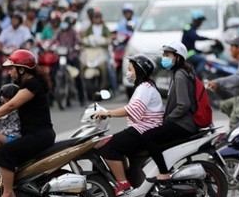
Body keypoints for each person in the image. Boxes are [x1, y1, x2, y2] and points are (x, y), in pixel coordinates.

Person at [94, 54, 163, 195]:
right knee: (116, 145)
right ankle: (125, 177)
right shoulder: (144, 87)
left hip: (144, 130)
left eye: (130, 69)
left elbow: (132, 109)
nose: (128, 72)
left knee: (106, 146)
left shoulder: (144, 88)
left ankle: (123, 185)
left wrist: (107, 113)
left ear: (139, 71)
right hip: (142, 128)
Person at [0, 49, 56, 197]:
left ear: (21, 69)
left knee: (4, 153)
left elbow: (11, 106)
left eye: (11, 68)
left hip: (39, 135)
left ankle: (8, 193)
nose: (9, 72)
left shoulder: (31, 85)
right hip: (35, 134)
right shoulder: (29, 84)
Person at [141, 40, 198, 183]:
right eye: (164, 54)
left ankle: (164, 172)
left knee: (148, 137)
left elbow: (183, 105)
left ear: (178, 57)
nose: (164, 58)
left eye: (167, 55)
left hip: (183, 124)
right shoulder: (179, 73)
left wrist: (168, 119)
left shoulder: (180, 75)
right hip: (183, 122)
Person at [52, 15, 85, 106]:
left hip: (72, 56)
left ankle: (82, 98)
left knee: (78, 76)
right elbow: (53, 40)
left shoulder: (73, 32)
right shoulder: (59, 31)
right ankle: (51, 98)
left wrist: (79, 46)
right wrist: (49, 46)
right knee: (53, 73)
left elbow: (79, 41)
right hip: (62, 56)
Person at [182, 10, 213, 78]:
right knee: (202, 59)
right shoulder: (188, 27)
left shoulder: (193, 29)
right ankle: (197, 77)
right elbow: (195, 37)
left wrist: (202, 51)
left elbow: (192, 47)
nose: (201, 23)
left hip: (191, 52)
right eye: (200, 21)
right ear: (196, 20)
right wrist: (210, 39)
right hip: (187, 55)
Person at [0, 84, 21, 149]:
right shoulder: (6, 109)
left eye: (3, 97)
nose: (2, 99)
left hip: (12, 139)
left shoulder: (11, 109)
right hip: (5, 137)